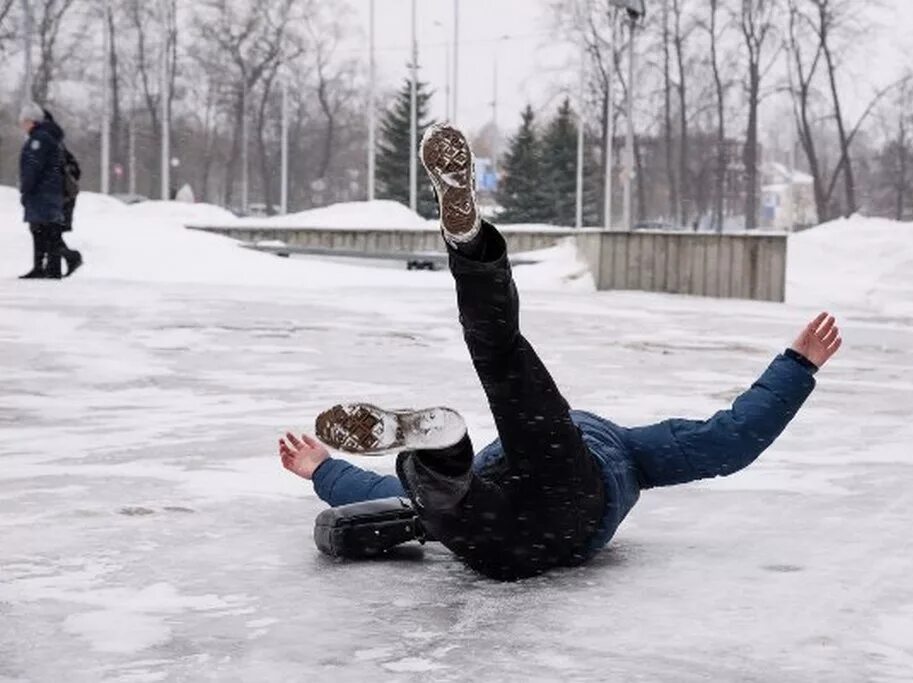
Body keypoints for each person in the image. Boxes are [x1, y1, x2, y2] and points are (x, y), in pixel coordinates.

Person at [278, 123, 843, 581]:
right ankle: (443, 442)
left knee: (462, 471)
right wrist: (796, 368)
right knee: (495, 371)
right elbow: (728, 442)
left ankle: (445, 440)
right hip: (551, 525)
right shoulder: (634, 451)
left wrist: (323, 470)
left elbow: (378, 491)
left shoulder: (620, 446)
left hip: (506, 522)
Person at [17, 103, 82, 279]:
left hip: (42, 193)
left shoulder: (39, 140)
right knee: (45, 230)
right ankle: (49, 268)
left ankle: (64, 260)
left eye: (24, 121)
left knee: (45, 231)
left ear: (32, 121)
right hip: (52, 192)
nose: (22, 125)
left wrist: (26, 189)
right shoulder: (51, 138)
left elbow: (32, 167)